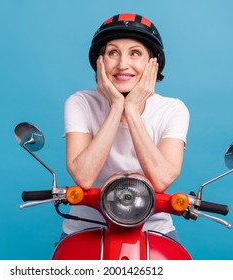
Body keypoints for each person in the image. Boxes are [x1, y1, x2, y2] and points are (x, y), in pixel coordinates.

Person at [61, 13, 189, 241]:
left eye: (135, 53)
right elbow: (83, 177)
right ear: (100, 62)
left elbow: (162, 180)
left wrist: (131, 111)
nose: (122, 64)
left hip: (154, 230)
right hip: (85, 228)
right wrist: (116, 106)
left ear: (153, 63)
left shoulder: (173, 109)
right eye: (112, 53)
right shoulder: (79, 102)